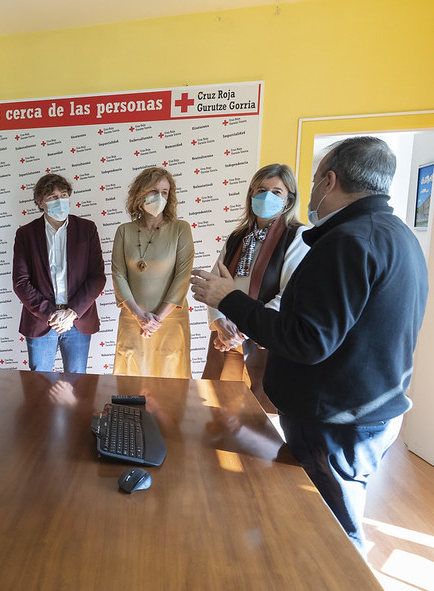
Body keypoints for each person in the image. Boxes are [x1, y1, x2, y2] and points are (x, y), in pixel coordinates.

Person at [190, 136, 428, 554]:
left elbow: (307, 338)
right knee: (318, 522)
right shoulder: (395, 235)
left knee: (332, 535)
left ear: (328, 181)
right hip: (357, 411)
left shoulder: (344, 242)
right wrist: (223, 312)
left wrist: (231, 304)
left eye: (314, 179)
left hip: (338, 421)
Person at [201, 164, 309, 413]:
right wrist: (219, 323)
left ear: (288, 199)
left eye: (276, 192)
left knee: (259, 415)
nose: (267, 196)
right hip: (225, 337)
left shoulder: (297, 237)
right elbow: (214, 283)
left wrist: (244, 328)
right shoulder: (237, 236)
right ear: (251, 194)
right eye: (261, 189)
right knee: (217, 407)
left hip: (263, 337)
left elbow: (288, 296)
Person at [12, 173, 106, 373]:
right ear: (40, 203)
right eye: (52, 197)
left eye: (63, 195)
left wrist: (71, 313)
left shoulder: (87, 229)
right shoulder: (25, 234)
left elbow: (97, 276)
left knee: (77, 383)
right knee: (39, 385)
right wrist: (50, 314)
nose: (60, 201)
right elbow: (21, 282)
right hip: (41, 320)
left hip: (77, 320)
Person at [111, 166, 194, 378]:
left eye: (164, 192)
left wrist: (156, 320)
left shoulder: (180, 229)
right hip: (133, 320)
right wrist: (139, 316)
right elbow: (118, 275)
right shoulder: (124, 231)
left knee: (171, 383)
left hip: (170, 321)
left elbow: (182, 277)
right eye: (153, 191)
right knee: (130, 382)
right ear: (140, 193)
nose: (159, 197)